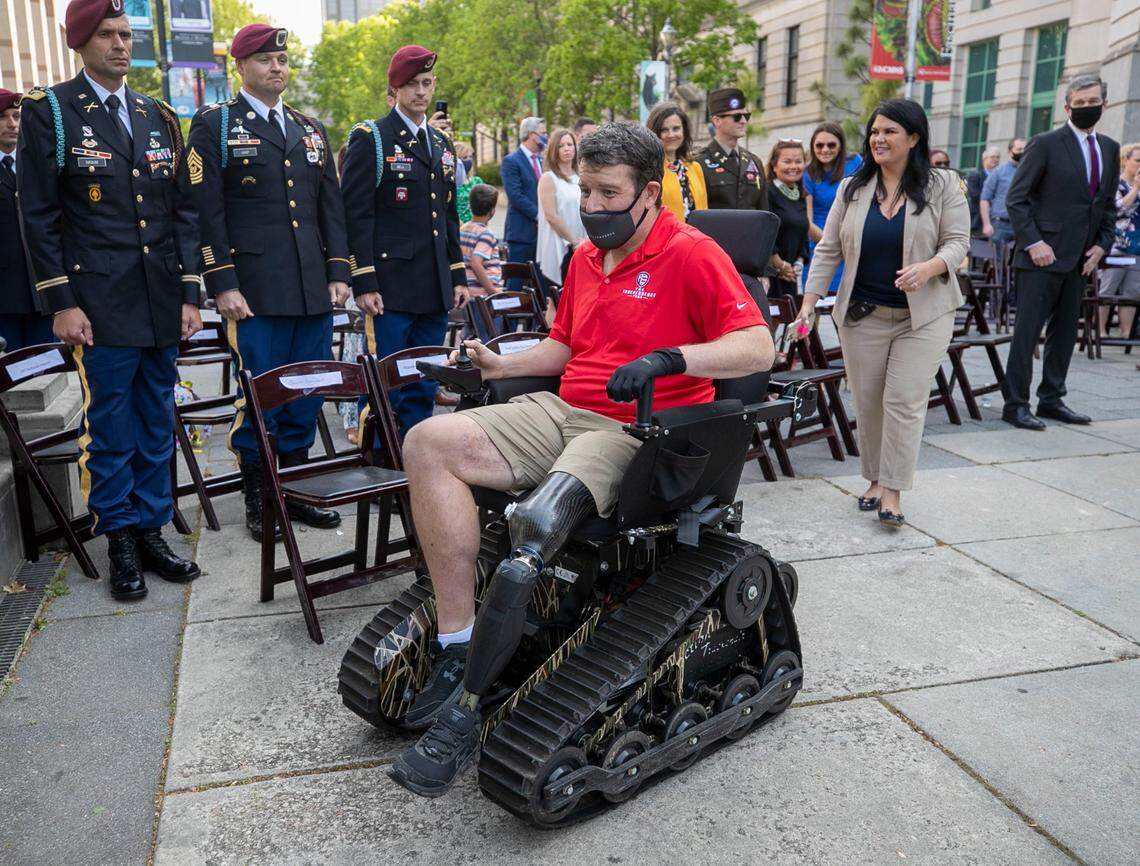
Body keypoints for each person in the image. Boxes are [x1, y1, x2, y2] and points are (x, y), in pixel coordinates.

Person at [386, 121, 774, 797]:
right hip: (565, 409)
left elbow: (756, 348)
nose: (590, 207)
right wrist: (498, 364)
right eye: (585, 191)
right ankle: (456, 644)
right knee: (429, 442)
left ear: (648, 193)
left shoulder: (692, 253)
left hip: (637, 426)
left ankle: (468, 714)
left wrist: (671, 359)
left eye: (606, 193)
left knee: (533, 524)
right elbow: (564, 349)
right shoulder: (588, 259)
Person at [18, 0, 202, 598]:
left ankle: (152, 526)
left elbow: (181, 213)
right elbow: (39, 216)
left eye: (126, 34)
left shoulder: (158, 114)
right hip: (98, 302)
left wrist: (189, 294)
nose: (121, 44)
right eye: (107, 34)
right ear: (80, 42)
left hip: (160, 298)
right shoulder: (52, 111)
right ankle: (119, 534)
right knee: (112, 423)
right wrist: (61, 301)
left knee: (156, 418)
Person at [186, 23, 349, 542]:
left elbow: (330, 209)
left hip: (310, 291)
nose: (276, 67)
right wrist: (221, 281)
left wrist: (339, 272)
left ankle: (296, 490)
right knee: (259, 395)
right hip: (253, 293)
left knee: (306, 393)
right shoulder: (215, 125)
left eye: (281, 59)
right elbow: (204, 212)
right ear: (240, 67)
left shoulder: (310, 127)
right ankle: (259, 497)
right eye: (264, 60)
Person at [794, 99, 969, 528]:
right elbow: (828, 250)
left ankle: (891, 491)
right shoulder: (852, 188)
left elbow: (958, 242)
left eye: (890, 131)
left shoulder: (943, 185)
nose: (879, 138)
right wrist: (808, 303)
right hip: (863, 314)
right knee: (870, 402)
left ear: (913, 138)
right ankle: (872, 478)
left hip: (922, 316)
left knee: (904, 400)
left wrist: (929, 267)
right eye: (875, 130)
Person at [340, 44, 469, 435]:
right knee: (386, 381)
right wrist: (363, 280)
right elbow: (355, 215)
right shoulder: (373, 137)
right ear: (394, 90)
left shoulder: (441, 144)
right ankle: (377, 461)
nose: (422, 92)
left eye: (427, 83)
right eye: (412, 84)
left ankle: (414, 462)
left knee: (424, 380)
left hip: (432, 284)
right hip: (390, 286)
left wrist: (458, 274)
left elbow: (447, 216)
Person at [1003, 74, 1120, 430]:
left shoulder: (1111, 149)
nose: (1087, 108)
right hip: (1041, 256)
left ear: (1104, 104)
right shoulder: (1045, 143)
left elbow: (1106, 206)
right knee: (1027, 333)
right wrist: (1034, 243)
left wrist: (1102, 245)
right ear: (1067, 106)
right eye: (1080, 103)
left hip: (1081, 259)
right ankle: (1016, 405)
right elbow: (1016, 199)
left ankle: (1052, 399)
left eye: (1093, 102)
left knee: (1066, 332)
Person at [0, 89, 53, 352]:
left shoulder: (35, 164)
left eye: (17, 116)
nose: (12, 124)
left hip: (42, 293)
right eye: (4, 118)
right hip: (4, 301)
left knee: (46, 372)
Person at [803, 122, 862, 295]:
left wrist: (847, 245)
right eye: (819, 145)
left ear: (841, 145)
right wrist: (831, 245)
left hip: (850, 242)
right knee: (812, 305)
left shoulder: (855, 163)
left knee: (846, 308)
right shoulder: (807, 173)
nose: (825, 149)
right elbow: (807, 221)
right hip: (819, 244)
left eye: (831, 145)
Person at [697, 87, 769, 212]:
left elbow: (764, 210)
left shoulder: (754, 162)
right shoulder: (700, 162)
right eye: (737, 117)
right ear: (717, 121)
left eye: (746, 116)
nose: (743, 121)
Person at [766, 140, 820, 298]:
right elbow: (765, 234)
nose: (793, 166)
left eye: (798, 161)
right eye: (787, 161)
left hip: (793, 273)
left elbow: (803, 231)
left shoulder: (800, 194)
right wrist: (779, 265)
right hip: (773, 273)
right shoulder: (768, 192)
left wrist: (799, 262)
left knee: (796, 319)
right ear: (775, 166)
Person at [1098, 143, 1140, 339]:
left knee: (1131, 292)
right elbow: (1117, 209)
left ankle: (1126, 332)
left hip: (1136, 247)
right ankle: (1100, 330)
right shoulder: (1116, 183)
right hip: (1115, 244)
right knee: (1108, 289)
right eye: (1137, 161)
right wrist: (1135, 189)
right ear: (1125, 161)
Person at [535, 127, 585, 285]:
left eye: (570, 144)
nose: (567, 149)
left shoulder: (580, 177)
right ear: (554, 150)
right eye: (561, 146)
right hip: (561, 244)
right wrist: (574, 241)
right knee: (556, 299)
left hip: (582, 243)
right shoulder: (549, 178)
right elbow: (551, 216)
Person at [500, 116, 546, 287]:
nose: (545, 136)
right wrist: (539, 215)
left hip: (542, 235)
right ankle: (508, 314)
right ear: (532, 135)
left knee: (541, 283)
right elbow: (515, 195)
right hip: (521, 234)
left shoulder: (542, 161)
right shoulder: (511, 161)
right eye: (543, 133)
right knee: (516, 281)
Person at [647, 101, 707, 222]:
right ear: (654, 133)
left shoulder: (695, 168)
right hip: (666, 239)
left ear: (684, 131)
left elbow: (705, 210)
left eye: (676, 128)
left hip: (697, 237)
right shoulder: (649, 170)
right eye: (664, 130)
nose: (671, 134)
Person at [980, 138, 1026, 250]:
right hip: (1001, 225)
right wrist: (986, 224)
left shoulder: (1030, 171)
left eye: (1025, 149)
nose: (1022, 152)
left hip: (1023, 224)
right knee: (998, 264)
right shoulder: (998, 172)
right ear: (1010, 151)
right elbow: (985, 198)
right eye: (1019, 149)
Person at [459, 184, 503, 296]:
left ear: (470, 206)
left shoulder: (462, 229)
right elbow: (476, 263)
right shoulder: (486, 235)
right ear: (492, 211)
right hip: (483, 296)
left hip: (467, 292)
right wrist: (493, 293)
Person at [967, 146, 1000, 237]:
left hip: (997, 222)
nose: (996, 159)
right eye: (993, 157)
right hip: (978, 222)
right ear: (984, 159)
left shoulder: (1000, 177)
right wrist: (995, 201)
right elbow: (974, 194)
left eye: (998, 157)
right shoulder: (975, 176)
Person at [454, 141, 480, 223]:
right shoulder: (449, 183)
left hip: (476, 227)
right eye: (464, 157)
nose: (468, 161)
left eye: (470, 157)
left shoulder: (476, 181)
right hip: (456, 228)